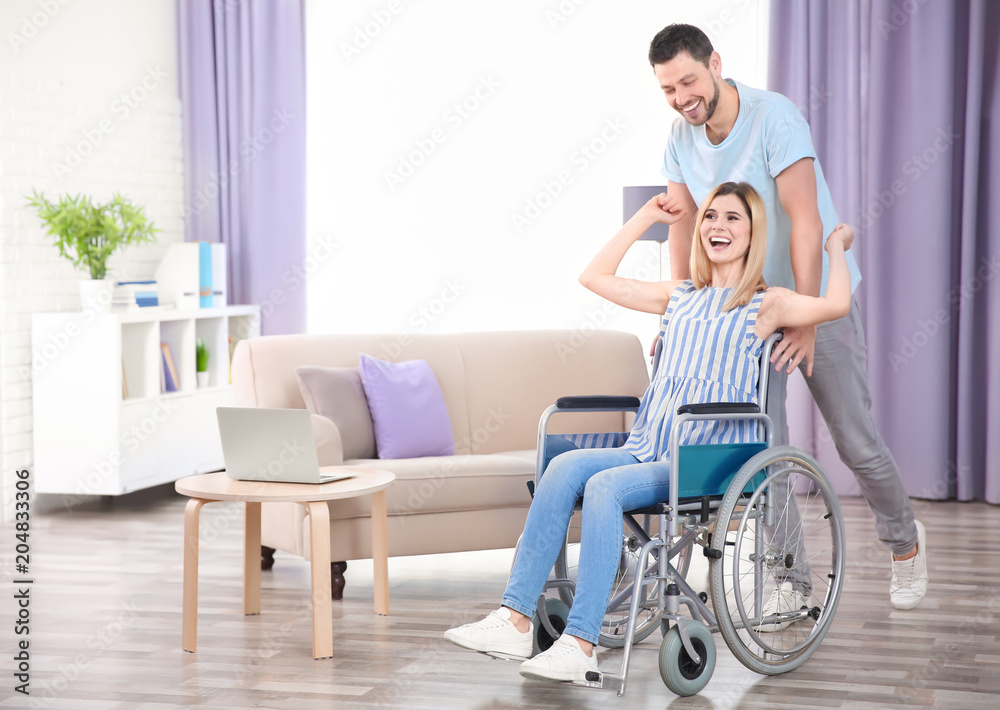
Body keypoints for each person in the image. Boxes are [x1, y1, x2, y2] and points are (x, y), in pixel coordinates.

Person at [445, 181, 855, 683]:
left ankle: (580, 643)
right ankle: (513, 618)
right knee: (563, 465)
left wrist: (835, 248)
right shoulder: (678, 296)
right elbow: (593, 277)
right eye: (709, 217)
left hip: (701, 461)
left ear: (753, 235)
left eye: (732, 219)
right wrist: (646, 218)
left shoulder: (767, 304)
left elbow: (836, 305)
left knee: (602, 486)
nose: (717, 227)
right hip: (647, 447)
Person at [646, 23, 927, 611]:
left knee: (855, 441)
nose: (681, 98)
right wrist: (678, 315)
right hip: (746, 310)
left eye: (689, 81)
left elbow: (805, 219)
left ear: (715, 64)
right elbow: (685, 228)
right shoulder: (679, 136)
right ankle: (789, 581)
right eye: (668, 89)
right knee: (760, 442)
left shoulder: (775, 117)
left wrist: (804, 316)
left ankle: (904, 543)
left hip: (814, 298)